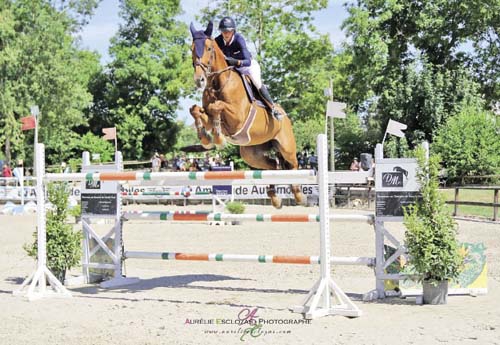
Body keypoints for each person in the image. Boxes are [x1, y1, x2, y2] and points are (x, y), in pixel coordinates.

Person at [215, 16, 283, 121]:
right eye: (223, 31)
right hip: (232, 69)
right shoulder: (218, 41)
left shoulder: (239, 39)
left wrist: (237, 62)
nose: (226, 34)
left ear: (233, 31)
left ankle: (273, 108)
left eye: (228, 31)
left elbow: (248, 61)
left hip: (248, 67)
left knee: (257, 82)